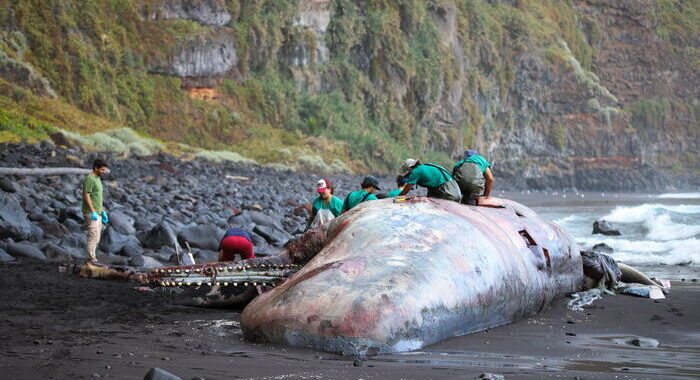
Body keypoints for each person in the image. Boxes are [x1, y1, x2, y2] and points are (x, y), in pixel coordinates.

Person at [82, 158, 109, 263]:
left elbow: (97, 197)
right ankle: (91, 259)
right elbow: (86, 195)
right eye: (102, 170)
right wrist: (92, 211)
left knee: (97, 237)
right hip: (90, 213)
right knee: (93, 236)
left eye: (105, 170)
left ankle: (92, 258)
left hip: (98, 213)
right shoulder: (89, 179)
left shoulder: (98, 179)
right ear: (96, 168)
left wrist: (102, 211)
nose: (104, 172)